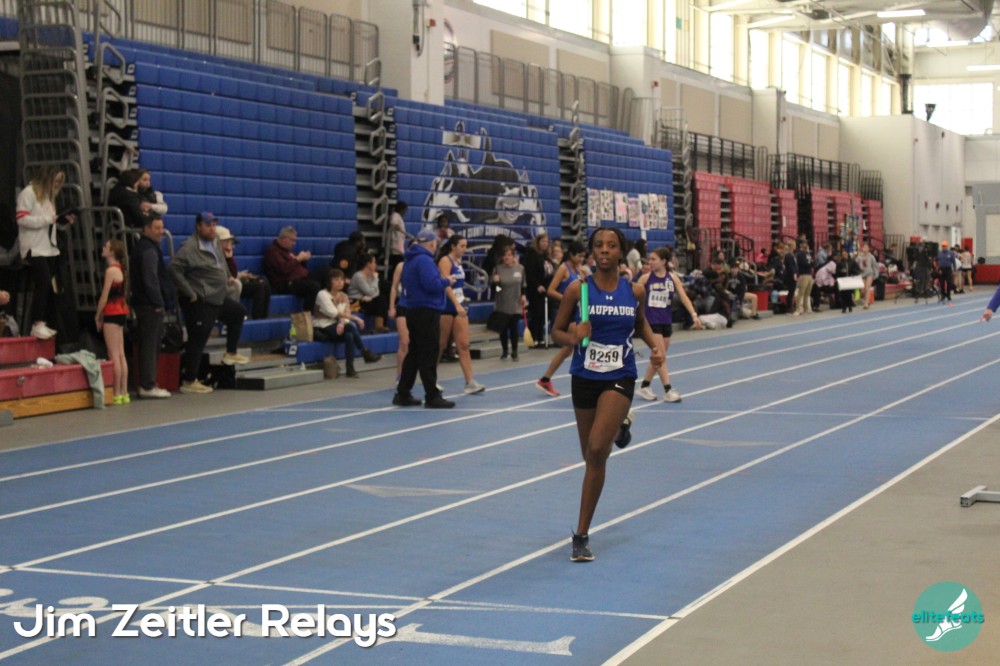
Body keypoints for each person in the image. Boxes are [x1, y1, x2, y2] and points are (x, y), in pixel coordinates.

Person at [551, 226, 663, 562]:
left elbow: (640, 323)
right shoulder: (578, 290)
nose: (604, 250)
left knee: (598, 450)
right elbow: (556, 332)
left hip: (620, 374)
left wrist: (654, 346)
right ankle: (619, 427)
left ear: (620, 252)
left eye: (611, 246)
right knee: (590, 455)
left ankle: (581, 535)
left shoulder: (635, 290)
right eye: (599, 245)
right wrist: (574, 336)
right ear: (591, 252)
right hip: (585, 376)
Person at [170, 212, 249, 394]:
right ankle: (189, 381)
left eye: (213, 225)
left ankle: (231, 353)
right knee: (198, 339)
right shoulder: (189, 248)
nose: (212, 228)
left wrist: (227, 276)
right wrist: (189, 291)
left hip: (217, 297)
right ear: (199, 226)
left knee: (237, 312)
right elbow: (174, 269)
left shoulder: (215, 242)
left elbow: (221, 262)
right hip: (200, 300)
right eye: (208, 225)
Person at [393, 228, 456, 409]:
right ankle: (432, 395)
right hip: (426, 310)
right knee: (428, 353)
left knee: (414, 353)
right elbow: (431, 284)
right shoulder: (425, 261)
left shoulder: (410, 260)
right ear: (431, 244)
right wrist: (447, 281)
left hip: (413, 310)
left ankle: (403, 392)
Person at [16, 164, 75, 340]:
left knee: (48, 285)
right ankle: (37, 323)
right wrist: (47, 219)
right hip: (33, 247)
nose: (56, 185)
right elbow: (21, 218)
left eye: (59, 182)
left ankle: (41, 322)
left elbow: (51, 222)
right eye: (55, 181)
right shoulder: (28, 193)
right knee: (43, 282)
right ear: (46, 178)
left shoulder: (49, 197)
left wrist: (63, 220)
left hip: (48, 247)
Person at [635, 246, 701, 403]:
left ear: (663, 261)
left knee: (659, 357)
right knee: (661, 356)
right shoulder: (645, 279)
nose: (650, 262)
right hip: (651, 322)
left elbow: (684, 297)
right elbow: (633, 296)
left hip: (666, 321)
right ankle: (668, 390)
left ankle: (644, 386)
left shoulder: (672, 278)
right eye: (649, 259)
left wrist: (694, 315)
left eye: (653, 259)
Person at [130, 217, 174, 398]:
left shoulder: (146, 247)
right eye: (157, 228)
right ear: (146, 229)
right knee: (150, 345)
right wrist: (158, 303)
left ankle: (148, 384)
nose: (161, 232)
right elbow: (151, 280)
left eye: (162, 228)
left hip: (146, 303)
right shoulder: (148, 250)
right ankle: (148, 385)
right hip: (149, 305)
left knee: (150, 344)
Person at [536, 240, 587, 397]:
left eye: (583, 257)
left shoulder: (578, 270)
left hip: (577, 312)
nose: (581, 259)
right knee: (581, 344)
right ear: (571, 254)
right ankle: (583, 382)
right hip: (566, 313)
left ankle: (545, 379)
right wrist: (566, 298)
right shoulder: (564, 268)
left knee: (568, 349)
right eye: (579, 256)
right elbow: (551, 290)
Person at [438, 234, 485, 394]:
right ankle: (430, 378)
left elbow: (458, 286)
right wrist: (456, 304)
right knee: (441, 344)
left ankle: (469, 382)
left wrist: (461, 301)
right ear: (453, 246)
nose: (465, 249)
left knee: (463, 345)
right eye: (462, 246)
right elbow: (446, 285)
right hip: (446, 306)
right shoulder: (445, 261)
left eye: (466, 246)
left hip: (459, 305)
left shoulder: (459, 262)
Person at [313, 269, 381, 378]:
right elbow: (334, 313)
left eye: (341, 279)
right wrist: (356, 319)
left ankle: (350, 368)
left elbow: (346, 314)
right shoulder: (322, 294)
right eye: (336, 280)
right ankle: (364, 352)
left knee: (349, 335)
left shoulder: (344, 296)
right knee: (350, 326)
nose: (340, 282)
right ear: (329, 281)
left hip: (338, 326)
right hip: (323, 327)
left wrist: (342, 322)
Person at [95, 240, 130, 404]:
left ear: (112, 252)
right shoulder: (121, 269)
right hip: (121, 312)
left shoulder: (110, 271)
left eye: (106, 247)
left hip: (112, 312)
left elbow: (104, 297)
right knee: (121, 353)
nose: (103, 248)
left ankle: (116, 392)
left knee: (113, 354)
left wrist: (98, 315)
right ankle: (124, 391)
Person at [217, 225, 271, 320]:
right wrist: (239, 275)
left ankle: (263, 318)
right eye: (231, 243)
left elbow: (231, 273)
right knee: (258, 286)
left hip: (232, 281)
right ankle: (257, 318)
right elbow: (229, 275)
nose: (233, 247)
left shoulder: (226, 255)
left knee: (263, 281)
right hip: (225, 286)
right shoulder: (219, 256)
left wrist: (240, 274)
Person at [263, 226, 321, 312]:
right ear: (284, 239)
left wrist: (303, 260)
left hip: (300, 278)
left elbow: (300, 268)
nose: (294, 243)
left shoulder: (288, 251)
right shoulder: (273, 252)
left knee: (327, 275)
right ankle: (308, 314)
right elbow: (283, 269)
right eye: (292, 240)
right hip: (287, 282)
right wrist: (298, 259)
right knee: (314, 286)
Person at [491, 245, 527, 361]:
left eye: (509, 255)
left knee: (514, 328)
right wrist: (496, 283)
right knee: (504, 329)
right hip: (503, 303)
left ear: (513, 256)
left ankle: (515, 351)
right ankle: (505, 350)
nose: (506, 257)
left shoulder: (520, 268)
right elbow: (496, 290)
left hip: (516, 303)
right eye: (505, 255)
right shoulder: (497, 270)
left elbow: (523, 284)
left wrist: (523, 295)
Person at [349, 252, 390, 333]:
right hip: (356, 303)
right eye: (374, 262)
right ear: (368, 264)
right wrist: (376, 280)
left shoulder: (371, 275)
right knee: (380, 299)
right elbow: (371, 292)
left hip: (366, 301)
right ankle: (379, 326)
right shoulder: (358, 276)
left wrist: (371, 296)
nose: (375, 264)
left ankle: (379, 326)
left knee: (382, 297)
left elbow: (375, 292)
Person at [523, 231, 551, 348]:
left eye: (546, 242)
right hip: (534, 290)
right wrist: (537, 285)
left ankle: (540, 337)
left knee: (542, 315)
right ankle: (534, 337)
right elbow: (529, 273)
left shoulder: (545, 257)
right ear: (538, 242)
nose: (545, 244)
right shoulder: (532, 255)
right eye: (543, 241)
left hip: (545, 289)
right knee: (536, 314)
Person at [388, 259, 409, 381]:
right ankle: (400, 375)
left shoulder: (424, 264)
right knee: (404, 341)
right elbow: (394, 287)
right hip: (404, 306)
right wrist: (391, 307)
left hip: (419, 307)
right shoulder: (401, 266)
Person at [793, 240, 815, 315]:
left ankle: (806, 308)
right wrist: (810, 263)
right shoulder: (800, 254)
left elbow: (812, 262)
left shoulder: (808, 253)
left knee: (807, 293)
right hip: (803, 274)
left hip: (809, 274)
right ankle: (798, 308)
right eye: (805, 243)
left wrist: (811, 264)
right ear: (801, 245)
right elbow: (804, 263)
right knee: (801, 292)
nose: (806, 245)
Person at [387, 201, 408, 275]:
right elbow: (393, 223)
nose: (405, 212)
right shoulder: (395, 215)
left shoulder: (399, 217)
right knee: (398, 264)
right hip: (396, 245)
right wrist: (396, 226)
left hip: (400, 243)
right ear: (401, 209)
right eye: (405, 210)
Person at [856, 243, 878, 310]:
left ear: (868, 249)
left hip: (869, 273)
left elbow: (875, 266)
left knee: (867, 288)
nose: (865, 249)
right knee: (862, 290)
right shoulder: (859, 257)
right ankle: (866, 300)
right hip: (862, 274)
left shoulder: (871, 257)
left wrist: (875, 275)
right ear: (862, 248)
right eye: (864, 247)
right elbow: (855, 265)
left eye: (866, 248)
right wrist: (858, 269)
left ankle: (866, 303)